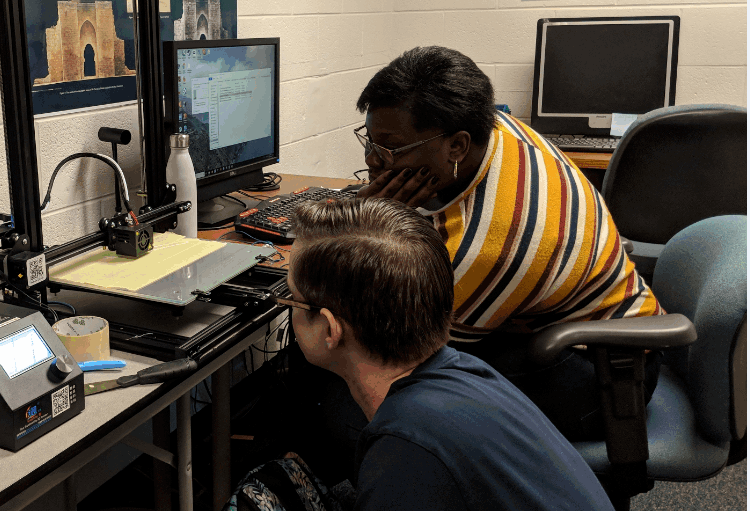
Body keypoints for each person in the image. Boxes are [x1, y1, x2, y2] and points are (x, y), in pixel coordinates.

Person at [348, 45, 663, 442]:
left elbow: (414, 353)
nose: (373, 162)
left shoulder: (488, 244)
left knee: (379, 390)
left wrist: (367, 227)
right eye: (370, 142)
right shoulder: (495, 127)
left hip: (601, 376)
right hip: (544, 324)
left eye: (388, 149)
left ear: (457, 146)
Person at [265, 197, 614, 511]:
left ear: (329, 329)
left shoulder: (407, 453)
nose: (289, 306)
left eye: (291, 297)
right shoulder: (465, 371)